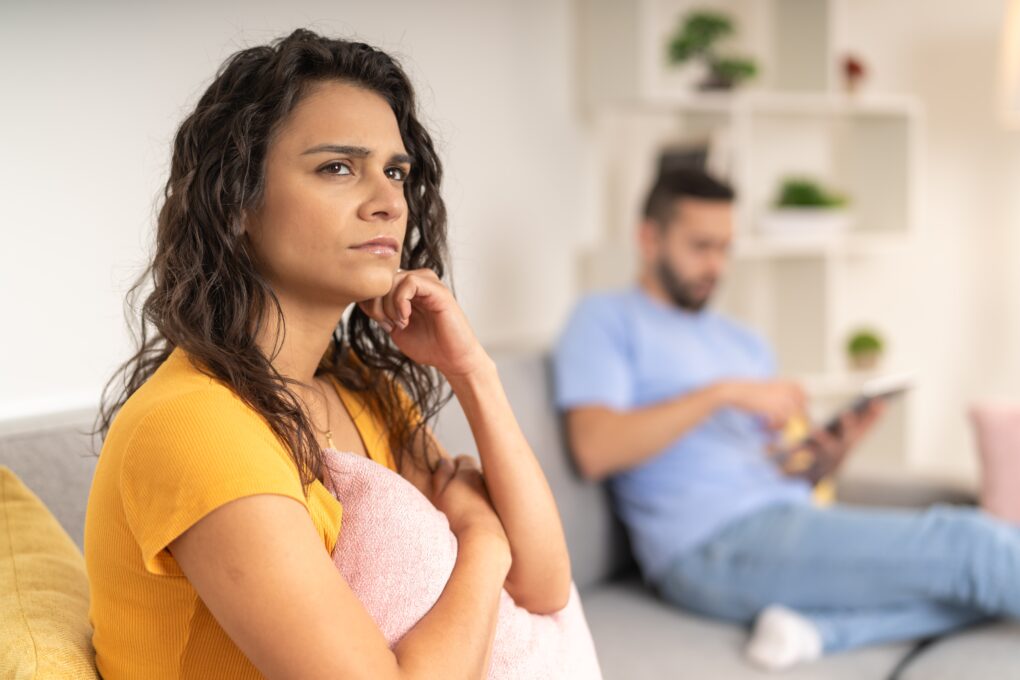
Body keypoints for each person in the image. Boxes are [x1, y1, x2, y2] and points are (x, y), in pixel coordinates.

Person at [85, 29, 572, 679]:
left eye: (395, 171)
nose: (389, 202)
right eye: (337, 167)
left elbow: (544, 587)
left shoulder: (361, 393)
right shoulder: (196, 424)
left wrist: (471, 371)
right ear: (238, 203)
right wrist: (482, 542)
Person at [553, 167, 1020, 670]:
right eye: (700, 246)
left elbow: (787, 471)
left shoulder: (744, 342)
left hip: (789, 521)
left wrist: (831, 453)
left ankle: (819, 632)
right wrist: (720, 393)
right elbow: (594, 448)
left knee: (974, 577)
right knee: (971, 543)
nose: (716, 265)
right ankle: (822, 628)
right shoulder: (604, 320)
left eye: (725, 248)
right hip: (710, 546)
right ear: (649, 238)